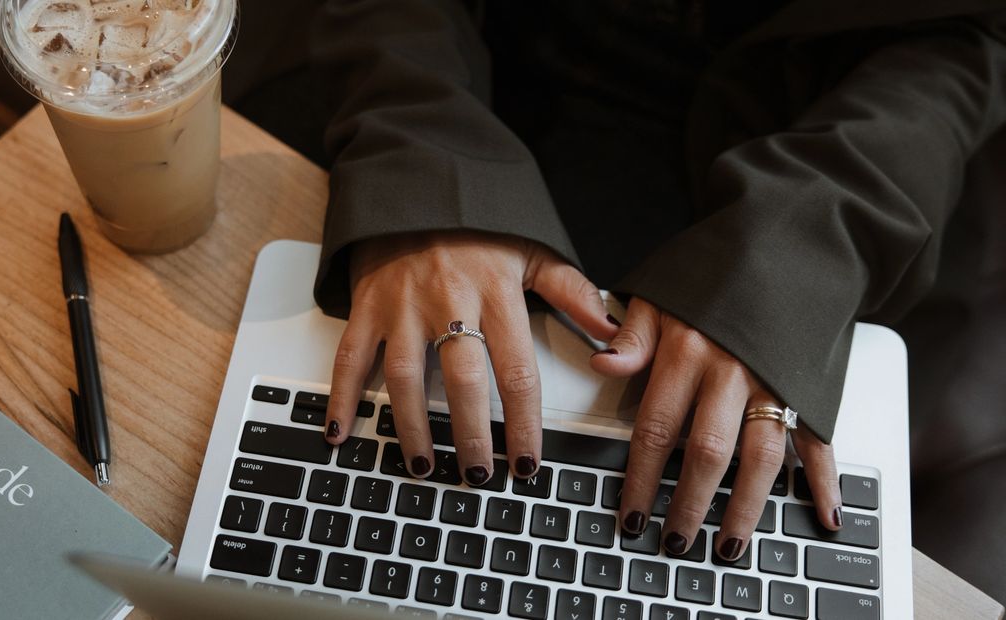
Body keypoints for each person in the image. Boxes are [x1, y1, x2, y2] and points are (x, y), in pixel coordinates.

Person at [304, 0, 1006, 568]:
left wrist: (797, 260)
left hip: (847, 149)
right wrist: (434, 172)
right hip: (520, 89)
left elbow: (969, 32)